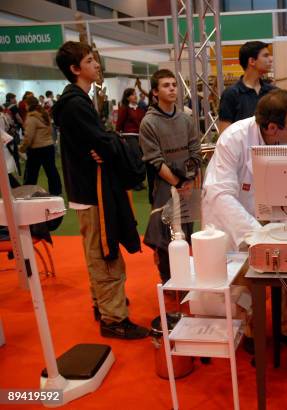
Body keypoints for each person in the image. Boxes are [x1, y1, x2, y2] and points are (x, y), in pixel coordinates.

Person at [202, 89, 287, 355]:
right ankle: (249, 330)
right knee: (245, 278)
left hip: (278, 213)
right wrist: (254, 233)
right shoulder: (234, 138)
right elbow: (220, 193)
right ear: (273, 128)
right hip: (235, 215)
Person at [53, 41, 148, 339]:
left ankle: (104, 305)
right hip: (92, 191)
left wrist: (107, 144)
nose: (97, 65)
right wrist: (110, 145)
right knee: (105, 255)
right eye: (91, 60)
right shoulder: (75, 104)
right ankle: (114, 318)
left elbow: (103, 141)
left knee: (97, 251)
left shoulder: (78, 100)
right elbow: (103, 142)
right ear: (75, 68)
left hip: (89, 191)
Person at [139, 69, 202, 284]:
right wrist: (178, 183)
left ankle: (184, 279)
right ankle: (169, 282)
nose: (172, 88)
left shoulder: (186, 119)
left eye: (174, 84)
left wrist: (189, 181)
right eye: (166, 85)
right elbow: (156, 162)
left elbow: (196, 151)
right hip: (165, 187)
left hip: (188, 185)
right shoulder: (149, 123)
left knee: (186, 233)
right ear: (155, 92)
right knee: (166, 238)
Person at [217, 41, 275, 135]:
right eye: (265, 55)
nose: (271, 59)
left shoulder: (273, 92)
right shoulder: (231, 94)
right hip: (241, 148)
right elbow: (225, 134)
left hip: (269, 149)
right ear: (252, 61)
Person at [20, 95, 62, 196]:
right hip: (48, 146)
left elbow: (28, 136)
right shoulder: (44, 114)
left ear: (28, 105)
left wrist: (22, 148)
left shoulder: (31, 117)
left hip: (36, 149)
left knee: (31, 173)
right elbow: (51, 130)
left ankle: (28, 192)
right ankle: (56, 191)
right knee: (51, 170)